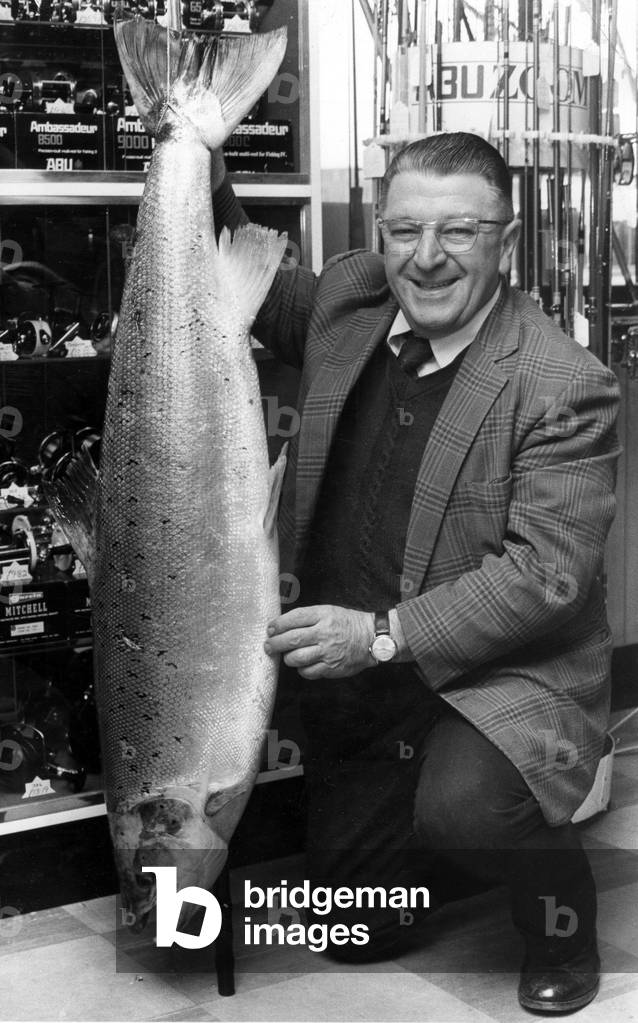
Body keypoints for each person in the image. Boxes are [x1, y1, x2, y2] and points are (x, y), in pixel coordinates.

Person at [212, 131, 620, 1014]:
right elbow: (235, 267)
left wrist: (384, 634)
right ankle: (423, 823)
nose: (426, 259)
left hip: (498, 670)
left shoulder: (562, 382)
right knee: (358, 932)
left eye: (459, 233)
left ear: (505, 244)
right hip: (361, 681)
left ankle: (558, 914)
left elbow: (545, 575)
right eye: (404, 232)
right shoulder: (351, 303)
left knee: (470, 809)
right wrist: (195, 158)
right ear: (380, 232)